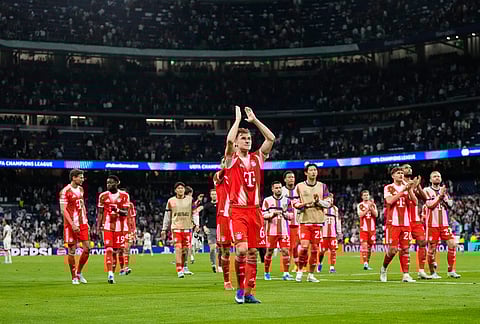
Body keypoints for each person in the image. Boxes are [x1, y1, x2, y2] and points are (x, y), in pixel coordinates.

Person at [225, 106, 275, 304]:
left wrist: (254, 120)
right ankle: (239, 288)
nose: (247, 141)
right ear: (237, 143)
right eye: (243, 139)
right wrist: (237, 121)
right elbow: (228, 140)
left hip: (255, 212)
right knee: (242, 250)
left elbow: (271, 139)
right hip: (238, 211)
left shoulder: (257, 158)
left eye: (249, 139)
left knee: (254, 252)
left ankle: (249, 292)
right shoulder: (230, 160)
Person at [293, 163, 331, 283]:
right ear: (306, 173)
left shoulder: (323, 186)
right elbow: (294, 202)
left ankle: (311, 274)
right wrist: (303, 205)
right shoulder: (299, 186)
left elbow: (328, 203)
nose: (313, 172)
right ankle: (299, 271)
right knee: (304, 247)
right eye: (311, 170)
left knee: (315, 249)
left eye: (315, 170)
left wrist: (318, 201)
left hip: (318, 222)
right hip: (305, 221)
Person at [380, 167, 416, 283]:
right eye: (398, 173)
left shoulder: (407, 186)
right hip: (393, 223)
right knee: (393, 250)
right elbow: (389, 201)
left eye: (402, 173)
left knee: (405, 249)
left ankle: (406, 275)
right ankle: (384, 268)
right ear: (393, 176)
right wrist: (403, 190)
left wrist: (409, 190)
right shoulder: (388, 187)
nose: (401, 175)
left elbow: (415, 202)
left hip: (405, 223)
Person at [424, 171, 461, 279]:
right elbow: (430, 205)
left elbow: (450, 205)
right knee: (432, 249)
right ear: (430, 180)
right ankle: (432, 272)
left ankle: (451, 270)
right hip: (432, 224)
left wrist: (444, 197)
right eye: (434, 176)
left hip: (444, 224)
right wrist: (440, 197)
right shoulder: (427, 190)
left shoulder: (443, 191)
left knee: (452, 244)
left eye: (439, 176)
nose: (437, 178)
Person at [97, 175, 130, 284]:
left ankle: (118, 270)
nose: (108, 185)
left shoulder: (124, 196)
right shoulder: (103, 196)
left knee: (117, 250)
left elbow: (126, 212)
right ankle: (110, 274)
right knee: (109, 250)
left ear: (117, 183)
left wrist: (117, 210)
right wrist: (98, 227)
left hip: (120, 228)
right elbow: (100, 213)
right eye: (107, 183)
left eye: (111, 183)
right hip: (107, 227)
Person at [59, 169, 90, 285]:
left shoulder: (81, 189)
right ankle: (74, 277)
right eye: (81, 177)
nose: (82, 179)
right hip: (71, 225)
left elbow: (82, 206)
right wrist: (72, 224)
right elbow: (63, 210)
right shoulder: (65, 191)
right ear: (74, 178)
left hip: (82, 223)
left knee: (87, 249)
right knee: (71, 250)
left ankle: (79, 272)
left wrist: (86, 221)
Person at [401, 164, 432, 279]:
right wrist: (412, 186)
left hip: (416, 220)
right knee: (405, 246)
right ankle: (405, 273)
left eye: (410, 168)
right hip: (405, 221)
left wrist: (418, 186)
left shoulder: (414, 184)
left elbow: (425, 199)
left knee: (423, 242)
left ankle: (421, 271)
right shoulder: (399, 185)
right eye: (406, 168)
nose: (409, 169)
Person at [161, 182, 197, 278]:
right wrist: (164, 229)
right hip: (176, 228)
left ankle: (184, 267)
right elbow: (167, 216)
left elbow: (194, 213)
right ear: (175, 190)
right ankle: (179, 270)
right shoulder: (171, 201)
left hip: (187, 227)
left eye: (182, 188)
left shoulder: (190, 200)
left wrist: (197, 224)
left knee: (185, 250)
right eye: (178, 188)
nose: (180, 189)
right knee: (178, 248)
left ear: (184, 190)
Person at [262, 181, 294, 281]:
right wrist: (273, 214)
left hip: (284, 231)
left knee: (285, 251)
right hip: (271, 231)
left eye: (280, 187)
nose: (278, 189)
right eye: (276, 188)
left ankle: (286, 273)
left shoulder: (287, 201)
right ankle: (266, 273)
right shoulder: (267, 200)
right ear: (272, 189)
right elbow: (263, 215)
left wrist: (284, 214)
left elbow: (291, 215)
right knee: (269, 251)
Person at [214, 160, 234, 290]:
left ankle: (244, 278)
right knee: (225, 250)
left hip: (239, 216)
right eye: (224, 162)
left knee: (245, 249)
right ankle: (227, 281)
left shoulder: (240, 176)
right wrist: (226, 166)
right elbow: (220, 175)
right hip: (224, 217)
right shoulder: (218, 176)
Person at [282, 170, 300, 272]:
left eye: (292, 177)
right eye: (289, 177)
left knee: (297, 247)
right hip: (285, 223)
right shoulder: (282, 191)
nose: (291, 179)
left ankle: (298, 266)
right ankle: (286, 269)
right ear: (285, 179)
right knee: (287, 247)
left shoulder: (298, 190)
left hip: (297, 222)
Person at [318, 193, 342, 273]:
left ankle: (332, 267)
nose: (330, 201)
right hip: (323, 233)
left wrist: (339, 232)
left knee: (333, 250)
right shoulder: (322, 209)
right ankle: (320, 263)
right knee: (322, 251)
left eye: (332, 199)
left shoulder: (335, 209)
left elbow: (338, 221)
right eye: (328, 199)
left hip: (333, 234)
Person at [357, 190, 377, 270]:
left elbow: (376, 215)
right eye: (364, 195)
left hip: (372, 229)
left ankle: (367, 263)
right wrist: (368, 208)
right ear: (362, 197)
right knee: (364, 246)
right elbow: (360, 215)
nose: (366, 196)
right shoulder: (360, 205)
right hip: (363, 229)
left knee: (369, 248)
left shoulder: (373, 205)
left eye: (367, 195)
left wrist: (371, 208)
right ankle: (365, 264)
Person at [201, 189, 219, 273]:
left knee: (222, 249)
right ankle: (213, 264)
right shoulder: (207, 206)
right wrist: (204, 227)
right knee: (212, 248)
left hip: (221, 229)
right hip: (210, 229)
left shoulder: (221, 205)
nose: (214, 195)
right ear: (210, 195)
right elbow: (203, 218)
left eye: (215, 194)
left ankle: (221, 265)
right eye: (212, 194)